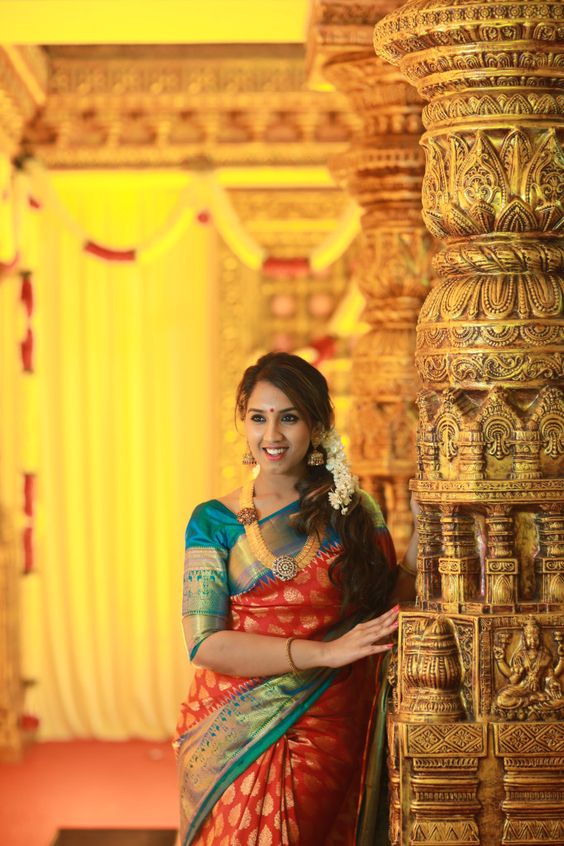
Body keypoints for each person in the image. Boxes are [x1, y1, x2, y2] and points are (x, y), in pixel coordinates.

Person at [175, 352, 417, 846]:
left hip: (328, 724)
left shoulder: (354, 512)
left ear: (317, 425)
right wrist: (323, 653)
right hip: (232, 730)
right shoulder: (213, 522)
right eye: (259, 418)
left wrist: (422, 533)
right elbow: (205, 644)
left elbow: (383, 615)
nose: (272, 435)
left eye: (289, 417)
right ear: (243, 422)